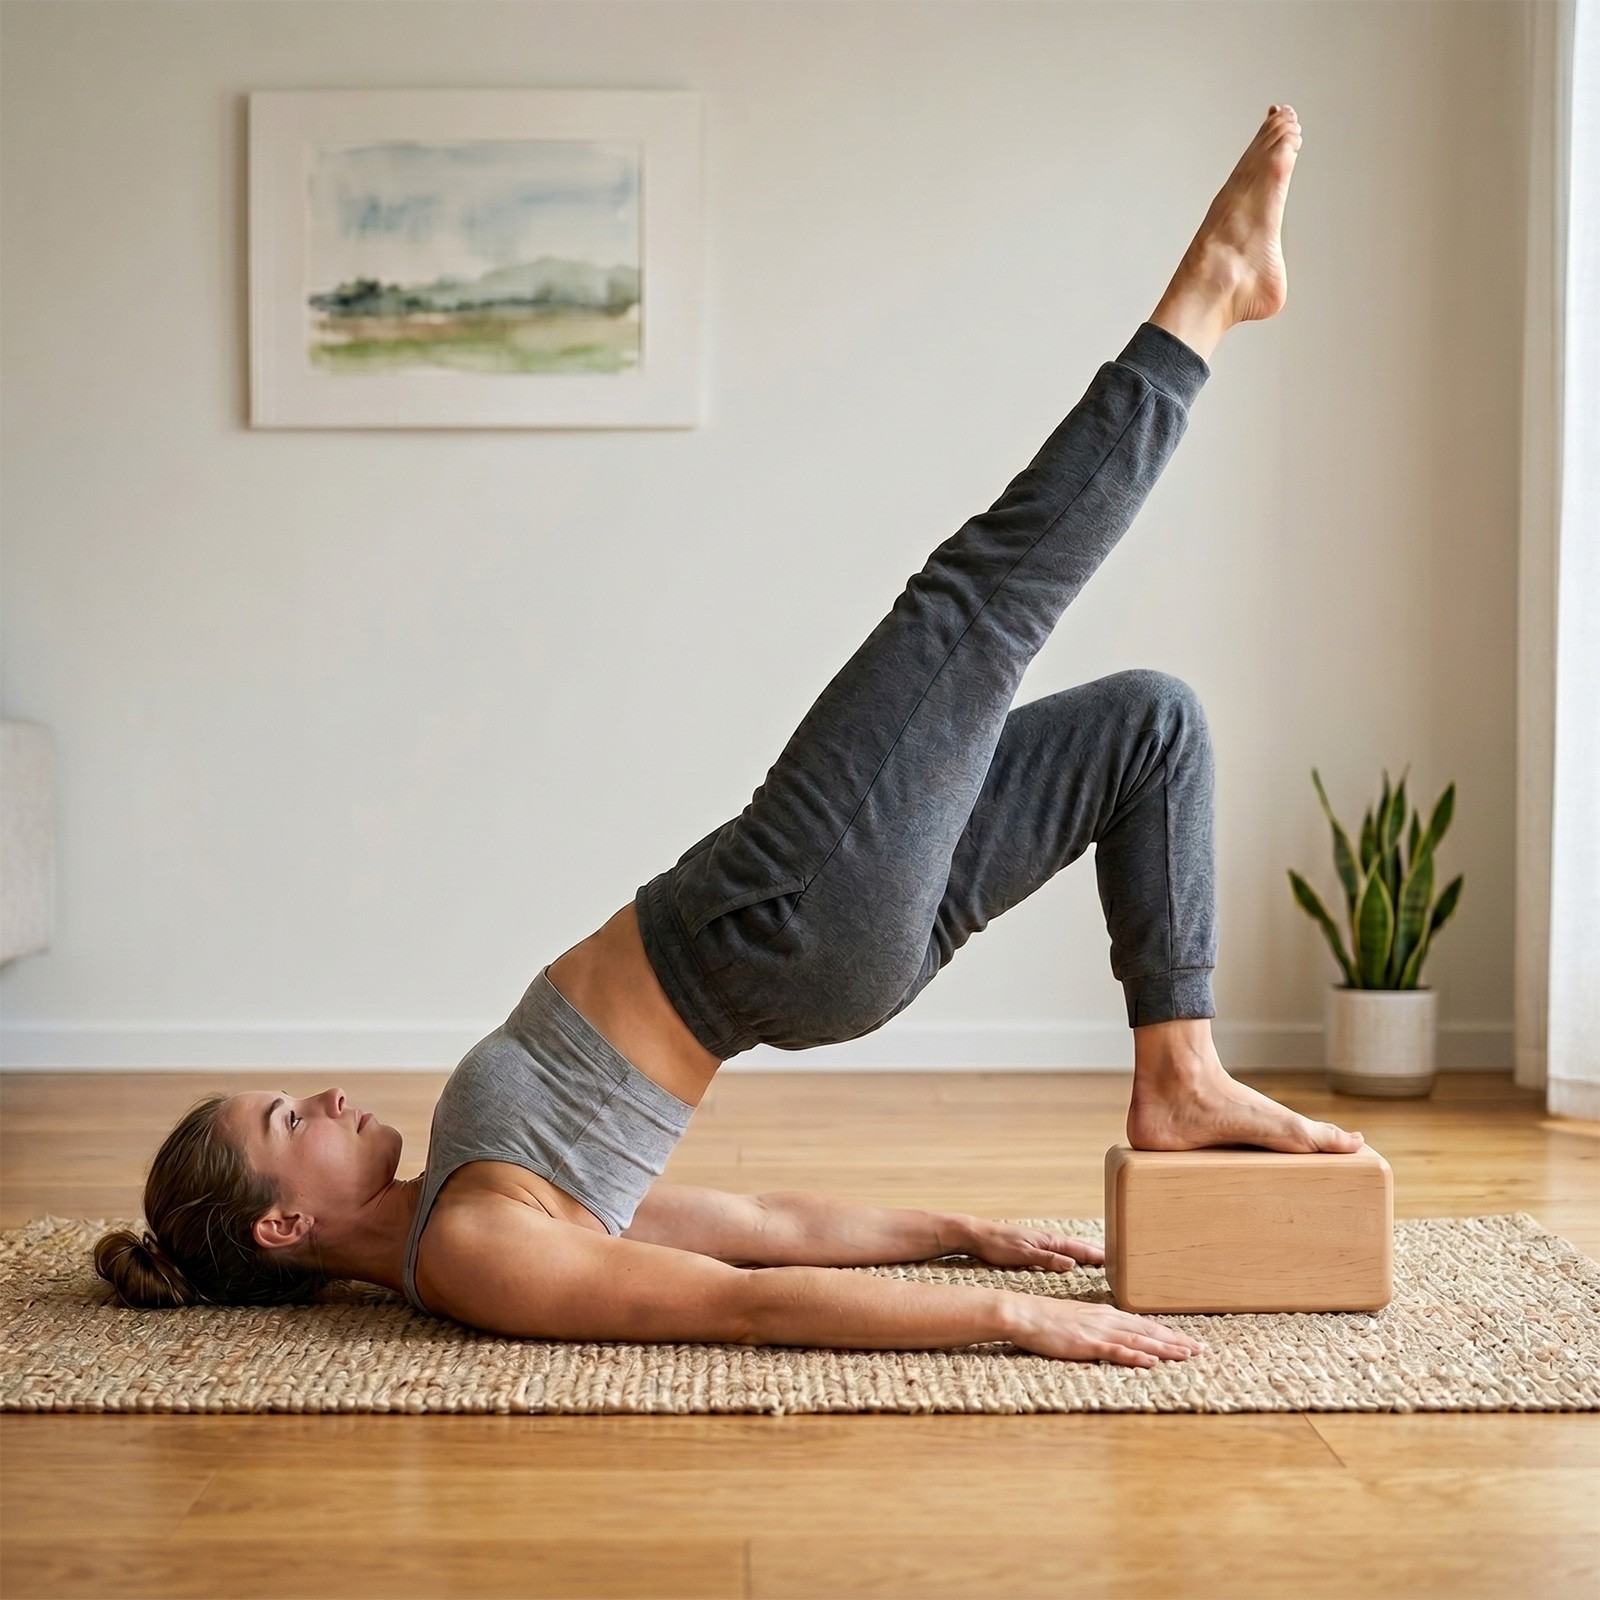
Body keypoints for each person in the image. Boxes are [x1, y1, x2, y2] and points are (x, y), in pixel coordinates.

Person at [98, 105, 1357, 1369]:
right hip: (782, 911)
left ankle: (1178, 1072)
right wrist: (1010, 1321)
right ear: (284, 1220)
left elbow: (758, 1228)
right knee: (975, 603)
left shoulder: (445, 1202)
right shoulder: (474, 1249)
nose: (316, 1097)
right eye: (283, 1118)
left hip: (802, 928)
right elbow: (737, 1304)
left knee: (1146, 726)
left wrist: (958, 1233)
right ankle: (1208, 294)